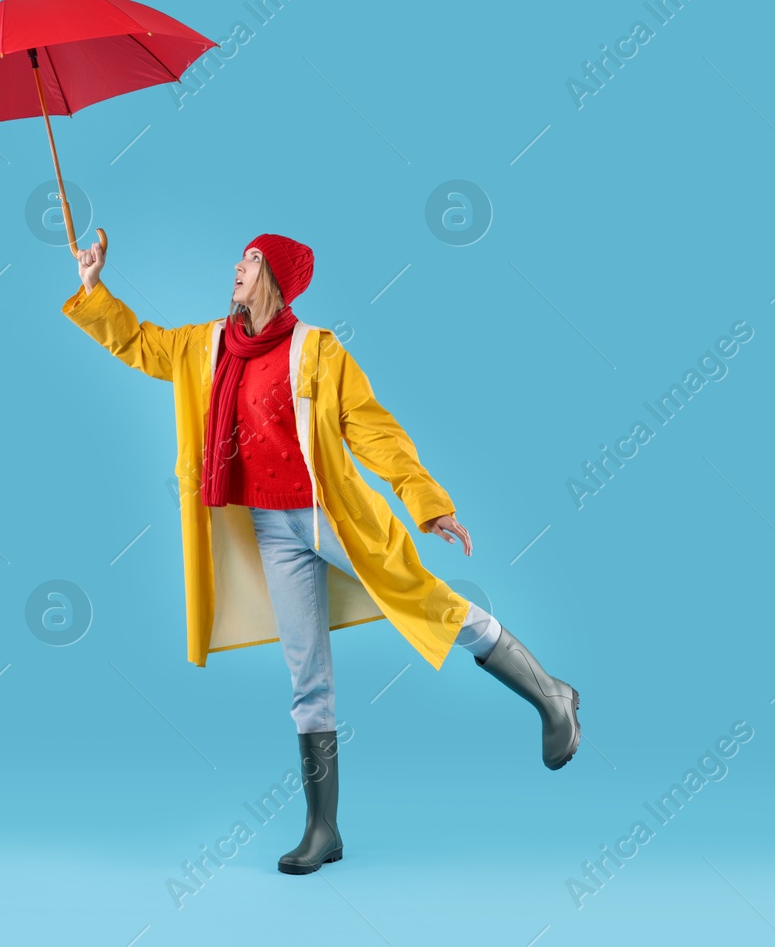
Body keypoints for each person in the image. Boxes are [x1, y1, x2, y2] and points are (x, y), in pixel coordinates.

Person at [61, 228, 580, 875]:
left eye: (249, 259)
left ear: (274, 276)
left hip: (334, 520)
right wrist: (92, 285)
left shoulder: (318, 352)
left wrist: (427, 500)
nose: (237, 266)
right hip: (272, 530)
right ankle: (322, 827)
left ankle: (551, 693)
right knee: (307, 675)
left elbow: (372, 428)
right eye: (240, 257)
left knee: (434, 608)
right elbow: (141, 344)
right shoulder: (208, 346)